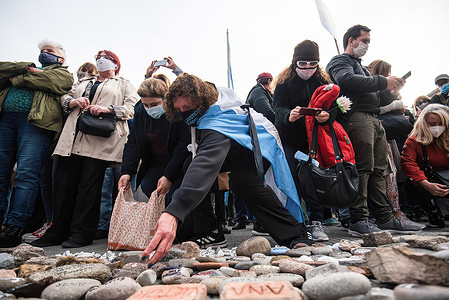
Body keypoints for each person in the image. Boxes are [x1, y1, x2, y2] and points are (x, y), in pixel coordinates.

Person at [142, 73, 310, 265]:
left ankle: (295, 235)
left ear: (200, 101)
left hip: (255, 142)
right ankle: (210, 231)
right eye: (179, 109)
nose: (183, 112)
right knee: (190, 165)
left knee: (244, 182)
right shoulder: (203, 102)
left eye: (187, 107)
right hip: (232, 145)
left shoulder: (217, 118)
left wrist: (173, 212)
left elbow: (206, 162)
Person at [32, 50, 138, 248]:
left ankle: (82, 233)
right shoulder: (82, 82)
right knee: (63, 186)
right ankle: (57, 232)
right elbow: (64, 96)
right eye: (98, 57)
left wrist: (108, 109)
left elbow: (130, 108)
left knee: (89, 188)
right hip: (72, 138)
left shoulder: (123, 84)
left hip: (99, 142)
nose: (100, 60)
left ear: (115, 65)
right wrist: (72, 101)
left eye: (106, 58)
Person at [326, 24, 423, 237]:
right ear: (351, 41)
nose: (367, 45)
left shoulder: (361, 67)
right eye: (364, 40)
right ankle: (358, 219)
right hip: (357, 118)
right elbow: (346, 80)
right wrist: (381, 81)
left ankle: (384, 217)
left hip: (373, 119)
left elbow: (375, 97)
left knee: (379, 170)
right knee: (362, 169)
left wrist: (390, 90)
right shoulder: (340, 61)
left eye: (369, 41)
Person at [0, 40, 73, 247]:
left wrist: (18, 78)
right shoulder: (28, 68)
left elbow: (53, 82)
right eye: (42, 51)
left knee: (26, 175)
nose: (44, 53)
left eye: (49, 51)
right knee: (1, 173)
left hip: (34, 125)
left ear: (61, 58)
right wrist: (25, 69)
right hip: (5, 121)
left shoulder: (63, 73)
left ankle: (15, 227)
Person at [273, 40, 331, 242]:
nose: (307, 68)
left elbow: (334, 110)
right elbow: (277, 108)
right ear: (294, 62)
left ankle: (317, 221)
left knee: (312, 178)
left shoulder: (323, 83)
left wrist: (327, 116)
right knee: (290, 178)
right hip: (289, 138)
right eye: (303, 64)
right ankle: (295, 221)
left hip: (312, 141)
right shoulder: (283, 84)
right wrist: (288, 115)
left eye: (312, 64)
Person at [118, 77, 190, 204]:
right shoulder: (140, 112)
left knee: (172, 200)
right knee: (142, 198)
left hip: (178, 167)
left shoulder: (177, 113)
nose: (150, 108)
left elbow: (182, 146)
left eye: (155, 104)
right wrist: (127, 172)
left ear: (165, 99)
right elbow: (134, 142)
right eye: (146, 105)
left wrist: (169, 176)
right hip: (154, 165)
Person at [401, 104, 449, 228]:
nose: (437, 128)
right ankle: (432, 211)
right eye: (432, 124)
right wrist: (425, 183)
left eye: (440, 123)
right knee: (411, 185)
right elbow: (408, 162)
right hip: (430, 181)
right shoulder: (414, 141)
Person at [244, 72, 276, 235]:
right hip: (262, 141)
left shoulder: (256, 92)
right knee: (265, 181)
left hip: (258, 141)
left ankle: (262, 222)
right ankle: (261, 223)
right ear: (268, 82)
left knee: (263, 180)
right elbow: (268, 112)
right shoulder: (259, 93)